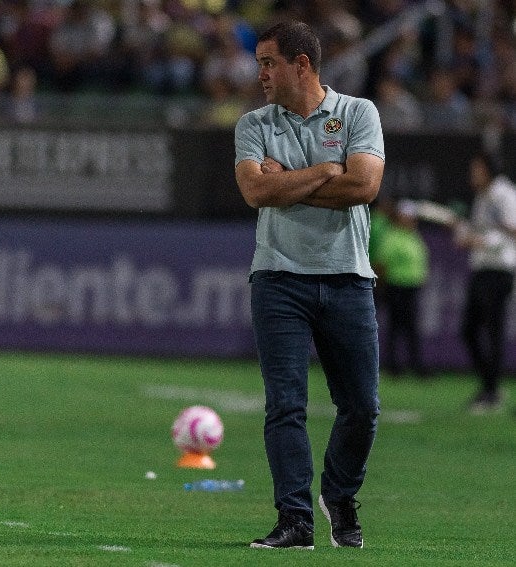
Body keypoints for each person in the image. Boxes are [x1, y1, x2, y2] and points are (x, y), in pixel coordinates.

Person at [234, 21, 384, 550]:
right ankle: (295, 519)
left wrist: (288, 184)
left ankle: (338, 494)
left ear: (303, 64)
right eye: (259, 64)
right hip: (278, 279)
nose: (261, 75)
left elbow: (363, 185)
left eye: (269, 63)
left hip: (347, 278)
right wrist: (326, 170)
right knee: (286, 405)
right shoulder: (253, 124)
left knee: (362, 407)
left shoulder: (357, 113)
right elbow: (255, 191)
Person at [453, 152, 516, 414]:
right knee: (469, 329)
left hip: (499, 270)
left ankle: (491, 392)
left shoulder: (504, 194)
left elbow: (512, 229)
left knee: (493, 331)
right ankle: (490, 386)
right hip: (481, 269)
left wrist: (481, 241)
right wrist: (463, 232)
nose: (473, 174)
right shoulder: (482, 197)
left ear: (488, 169)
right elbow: (480, 229)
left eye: (476, 168)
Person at [375, 201, 430, 377]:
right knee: (395, 327)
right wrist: (383, 287)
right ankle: (393, 367)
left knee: (412, 328)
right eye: (406, 216)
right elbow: (381, 264)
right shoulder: (392, 236)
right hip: (395, 287)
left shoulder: (415, 236)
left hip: (412, 288)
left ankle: (416, 365)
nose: (410, 220)